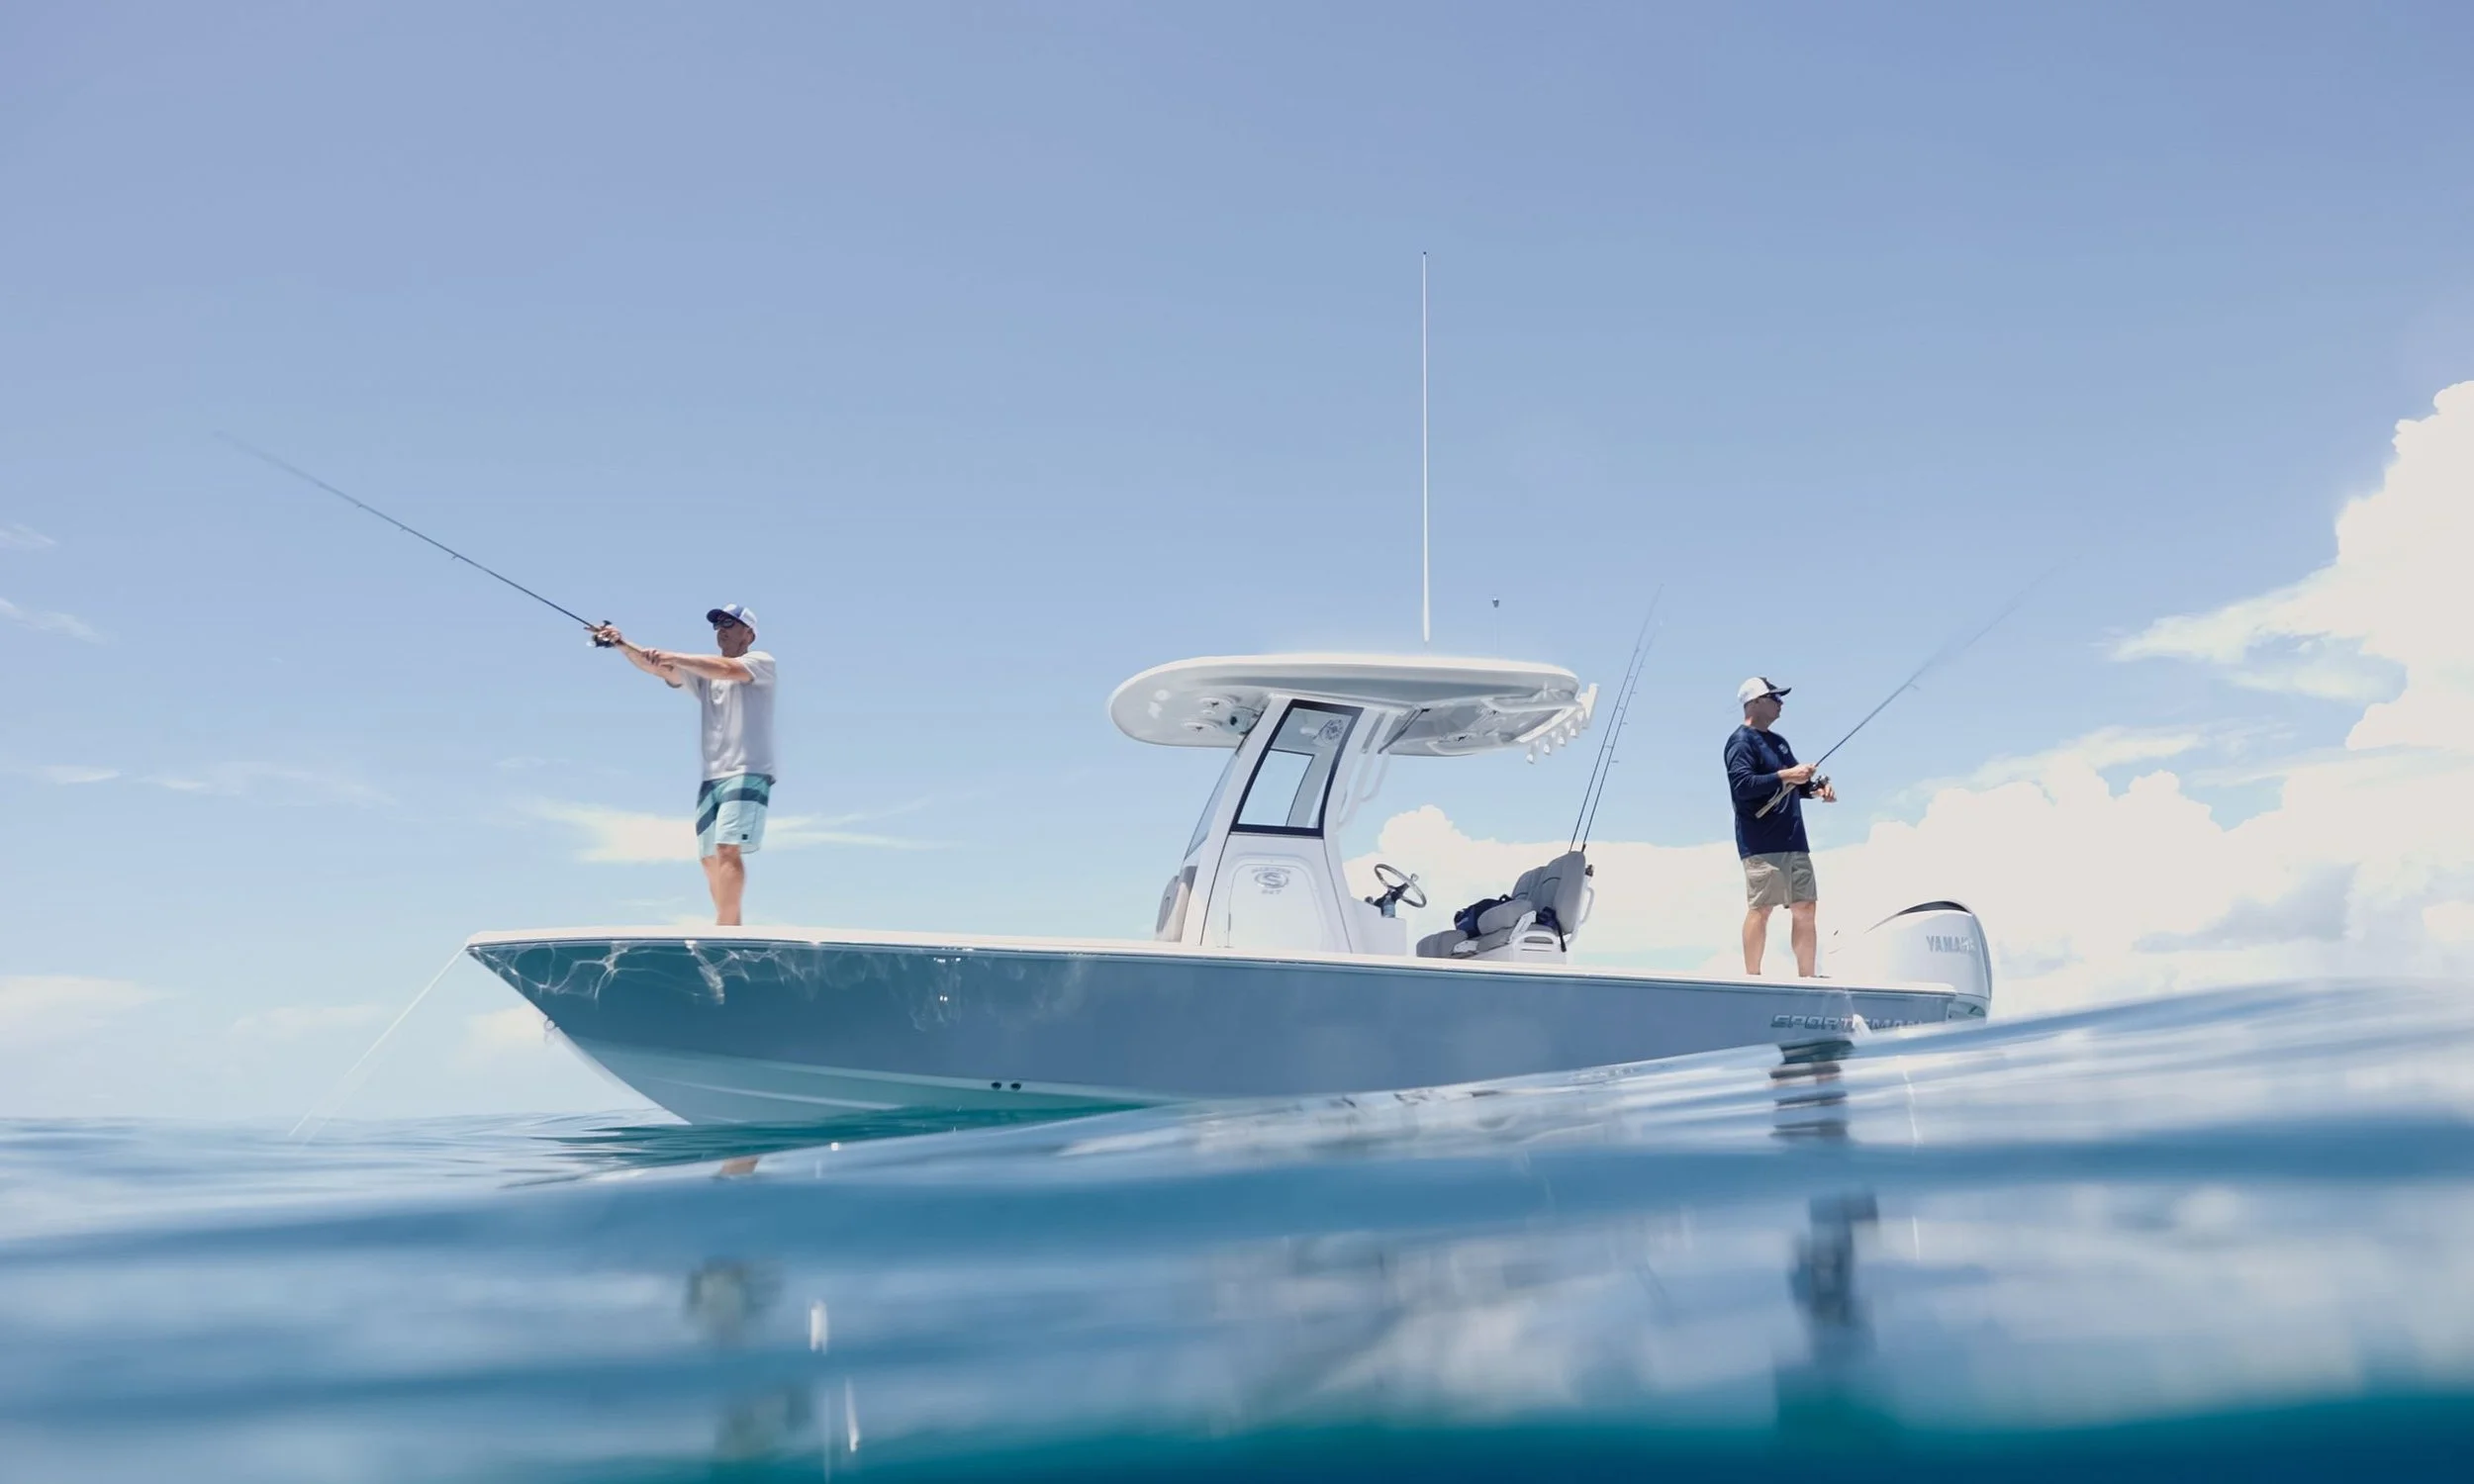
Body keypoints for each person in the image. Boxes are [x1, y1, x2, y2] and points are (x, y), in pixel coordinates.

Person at [593, 604, 778, 926]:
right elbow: (658, 667)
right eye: (718, 624)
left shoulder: (760, 662)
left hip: (747, 770)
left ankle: (726, 930)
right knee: (708, 857)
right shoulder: (704, 676)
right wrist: (620, 643)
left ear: (748, 634)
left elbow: (725, 669)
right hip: (712, 777)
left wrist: (674, 656)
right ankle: (730, 926)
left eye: (729, 623)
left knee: (727, 847)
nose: (721, 629)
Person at [1725, 676, 1837, 975]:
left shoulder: (1780, 743)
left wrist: (1817, 789)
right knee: (1762, 908)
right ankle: (1752, 977)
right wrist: (1787, 775)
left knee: (1806, 907)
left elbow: (1797, 784)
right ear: (1756, 702)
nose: (1781, 703)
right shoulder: (1741, 742)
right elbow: (1743, 785)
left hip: (1794, 839)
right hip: (1761, 842)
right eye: (1774, 698)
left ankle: (1807, 978)